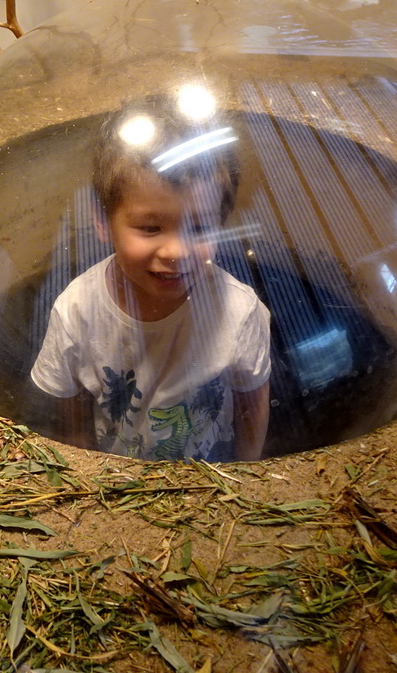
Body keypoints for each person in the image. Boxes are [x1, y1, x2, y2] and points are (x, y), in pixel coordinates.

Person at [31, 92, 271, 461]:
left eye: (200, 227)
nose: (176, 252)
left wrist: (248, 470)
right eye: (150, 227)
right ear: (101, 220)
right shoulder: (76, 311)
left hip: (210, 478)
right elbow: (72, 421)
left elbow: (252, 404)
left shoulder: (240, 312)